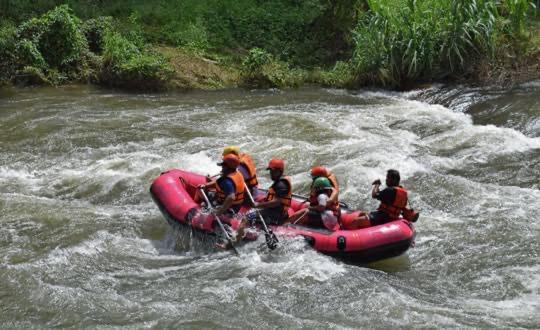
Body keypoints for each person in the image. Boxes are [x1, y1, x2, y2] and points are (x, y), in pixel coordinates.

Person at [251, 158, 292, 226]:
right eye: (270, 171)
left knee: (246, 219)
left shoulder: (281, 185)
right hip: (274, 212)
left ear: (280, 171)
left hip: (275, 214)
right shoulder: (279, 182)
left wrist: (258, 205)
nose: (271, 173)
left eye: (273, 171)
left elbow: (276, 202)